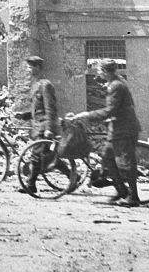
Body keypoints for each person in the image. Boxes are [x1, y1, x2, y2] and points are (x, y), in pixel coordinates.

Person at [74, 59, 141, 207]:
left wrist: (87, 115)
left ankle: (134, 197)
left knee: (126, 164)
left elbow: (111, 110)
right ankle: (121, 190)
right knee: (107, 158)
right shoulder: (116, 83)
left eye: (99, 70)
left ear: (105, 71)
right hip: (117, 129)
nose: (98, 73)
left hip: (124, 130)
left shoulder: (116, 86)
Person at [14, 55, 72, 195]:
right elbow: (37, 109)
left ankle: (31, 184)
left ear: (38, 68)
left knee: (36, 155)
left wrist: (49, 129)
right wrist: (25, 115)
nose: (28, 70)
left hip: (44, 126)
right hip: (37, 126)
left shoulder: (45, 85)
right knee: (49, 157)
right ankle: (72, 177)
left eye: (31, 67)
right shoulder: (36, 85)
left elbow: (50, 109)